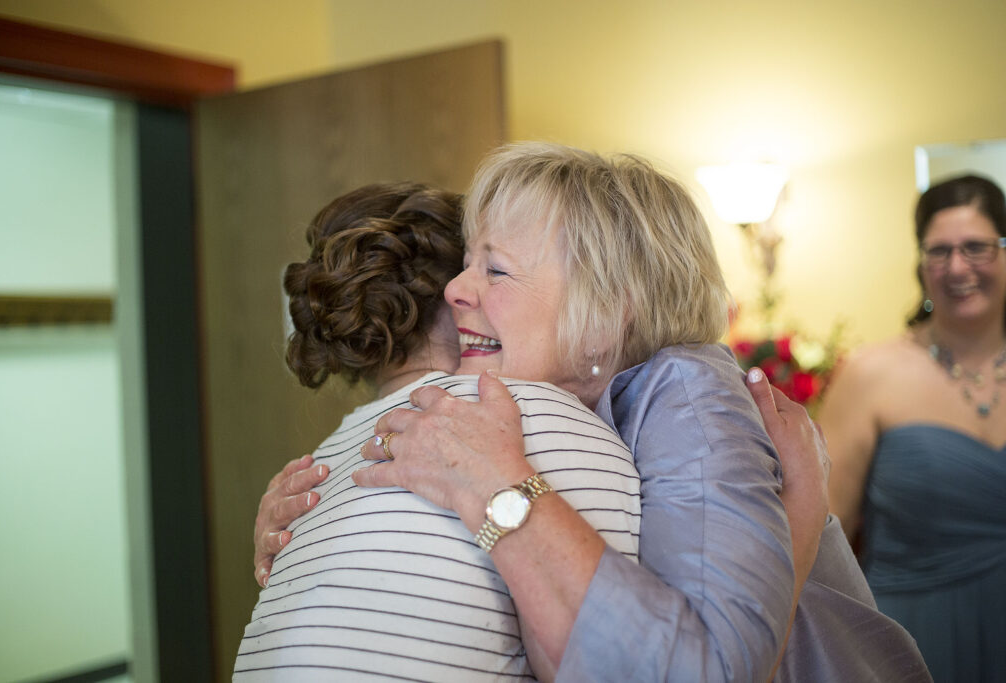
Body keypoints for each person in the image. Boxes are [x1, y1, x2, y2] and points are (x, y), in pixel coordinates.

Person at [256, 143, 929, 681]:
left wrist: (498, 488)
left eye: (496, 270)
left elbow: (714, 668)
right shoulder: (569, 411)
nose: (455, 291)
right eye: (466, 265)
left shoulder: (687, 391)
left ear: (605, 313)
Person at [234, 182, 643, 681]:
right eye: (476, 268)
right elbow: (621, 658)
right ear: (450, 291)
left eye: (494, 271)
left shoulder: (321, 465)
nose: (469, 290)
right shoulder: (524, 413)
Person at [818, 173, 1006, 682]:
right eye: (938, 251)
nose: (957, 267)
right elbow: (820, 536)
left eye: (976, 248)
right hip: (915, 640)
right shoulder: (871, 373)